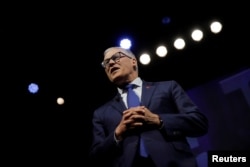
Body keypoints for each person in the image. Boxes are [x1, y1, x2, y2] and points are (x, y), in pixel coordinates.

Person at [89, 46, 208, 167]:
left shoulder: (168, 87)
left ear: (133, 61)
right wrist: (117, 133)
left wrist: (158, 120)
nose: (111, 63)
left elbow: (199, 123)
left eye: (116, 57)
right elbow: (95, 157)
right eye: (106, 62)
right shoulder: (101, 113)